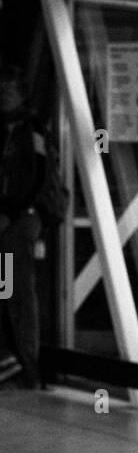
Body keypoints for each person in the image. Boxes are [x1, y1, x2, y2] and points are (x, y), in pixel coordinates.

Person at [0, 65, 46, 387]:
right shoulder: (6, 129)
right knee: (6, 289)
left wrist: (10, 212)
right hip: (8, 220)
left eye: (9, 90)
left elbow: (37, 175)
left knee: (15, 291)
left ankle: (27, 364)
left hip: (18, 222)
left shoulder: (32, 130)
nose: (4, 95)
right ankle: (11, 359)